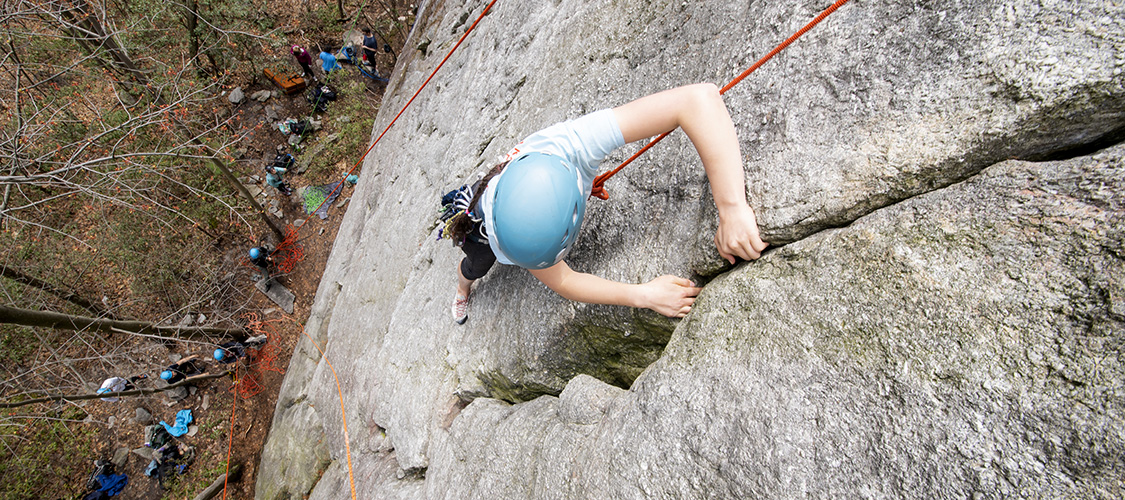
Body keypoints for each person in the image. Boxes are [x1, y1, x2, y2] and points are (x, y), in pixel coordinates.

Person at [445, 84, 768, 324]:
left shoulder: (570, 143)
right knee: (476, 266)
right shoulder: (510, 236)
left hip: (512, 193)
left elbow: (697, 99)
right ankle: (462, 289)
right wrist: (644, 296)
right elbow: (565, 281)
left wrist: (733, 209)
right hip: (480, 223)